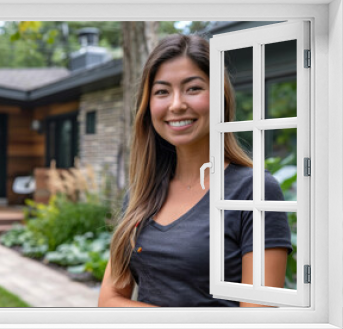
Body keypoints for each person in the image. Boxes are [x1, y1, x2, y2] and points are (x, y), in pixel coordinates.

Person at [98, 34, 292, 307]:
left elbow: (258, 319)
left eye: (193, 88)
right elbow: (109, 301)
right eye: (162, 91)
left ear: (219, 98)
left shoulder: (255, 191)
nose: (176, 104)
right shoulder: (141, 194)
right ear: (148, 105)